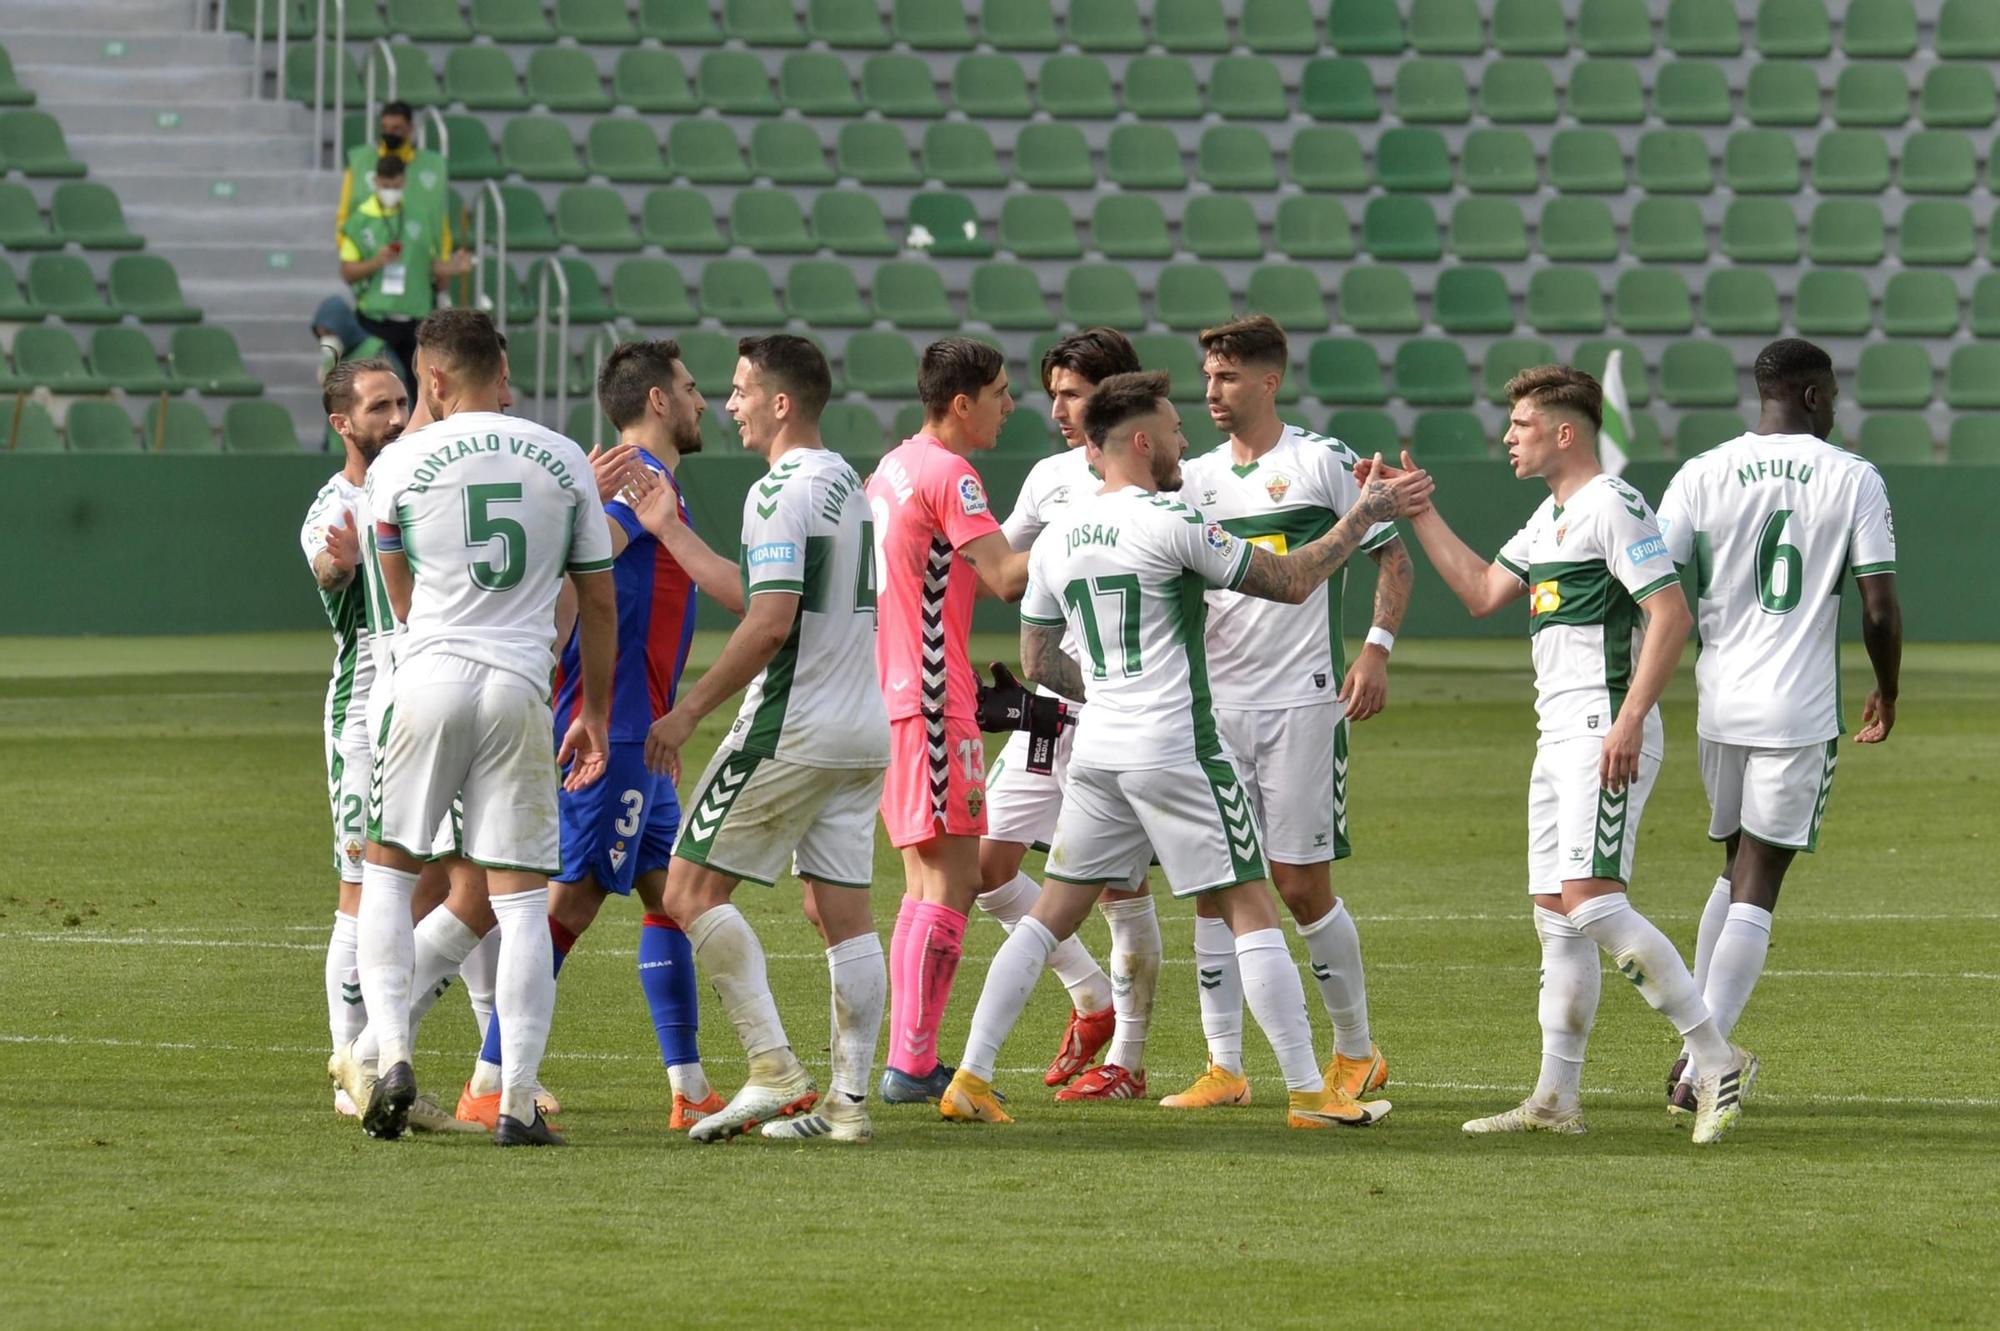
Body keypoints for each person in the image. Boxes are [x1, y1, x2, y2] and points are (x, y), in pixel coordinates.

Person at [938, 370, 1427, 1130]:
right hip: (1177, 745)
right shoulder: (1170, 521)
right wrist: (1364, 513)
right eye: (1171, 429)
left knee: (1047, 916)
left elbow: (1037, 659)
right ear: (1141, 440)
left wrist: (1109, 688)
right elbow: (1294, 580)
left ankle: (971, 1074)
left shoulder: (1060, 530)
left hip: (1098, 748)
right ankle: (1308, 1093)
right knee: (1253, 905)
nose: (1182, 439)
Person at [1370, 364, 1753, 1145]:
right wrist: (1421, 511)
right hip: (1558, 733)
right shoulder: (1551, 517)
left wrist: (1631, 717)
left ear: (1565, 431)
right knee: (1558, 918)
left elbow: (1670, 613)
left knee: (1592, 900)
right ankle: (1554, 1097)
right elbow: (1479, 590)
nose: (1508, 436)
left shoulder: (1610, 501)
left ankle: (1715, 1055)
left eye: (1521, 424)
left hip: (1603, 726)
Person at [355, 308, 616, 1146]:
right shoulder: (564, 456)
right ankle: (517, 1101)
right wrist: (596, 711)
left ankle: (391, 1054)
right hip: (519, 684)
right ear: (493, 373)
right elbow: (598, 600)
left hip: (428, 676)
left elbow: (395, 590)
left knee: (390, 875)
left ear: (431, 379)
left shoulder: (397, 463)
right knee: (523, 902)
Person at [451, 340, 722, 1133]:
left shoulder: (651, 483)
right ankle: (488, 1079)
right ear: (660, 402)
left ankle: (690, 1085)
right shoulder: (639, 484)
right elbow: (579, 564)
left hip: (644, 739)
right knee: (566, 904)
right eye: (693, 387)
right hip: (621, 735)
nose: (704, 402)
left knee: (672, 896)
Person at [632, 334, 890, 1145]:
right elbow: (764, 594)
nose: (731, 402)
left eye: (742, 389)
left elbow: (771, 624)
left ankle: (773, 1066)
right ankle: (847, 1106)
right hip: (861, 728)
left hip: (795, 724)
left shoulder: (779, 489)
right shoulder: (845, 480)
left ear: (781, 402)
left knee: (688, 891)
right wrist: (672, 530)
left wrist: (690, 709)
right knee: (840, 911)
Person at [1164, 315, 1414, 1111]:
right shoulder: (1194, 477)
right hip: (1215, 708)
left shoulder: (1322, 462)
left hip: (1301, 705)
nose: (1211, 391)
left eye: (1228, 377)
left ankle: (1357, 1050)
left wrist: (1374, 648)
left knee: (1301, 884)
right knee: (1213, 882)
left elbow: (1393, 557)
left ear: (1270, 381)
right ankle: (1225, 1066)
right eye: (1206, 377)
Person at [1655, 339, 1902, 1116]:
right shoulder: (1854, 477)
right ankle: (1704, 1065)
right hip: (1797, 709)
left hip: (1718, 701)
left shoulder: (1701, 471)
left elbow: (1653, 579)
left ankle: (1694, 1052)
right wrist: (1888, 689)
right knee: (1760, 877)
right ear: (1815, 396)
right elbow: (1879, 605)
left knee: (1733, 863)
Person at [864, 338, 1033, 1104]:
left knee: (923, 879)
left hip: (896, 692)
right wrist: (1093, 522)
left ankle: (909, 1054)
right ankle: (909, 1061)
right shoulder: (951, 473)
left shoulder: (894, 464)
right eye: (999, 391)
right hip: (934, 697)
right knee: (955, 877)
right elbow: (1004, 577)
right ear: (960, 403)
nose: (1009, 403)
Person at [976, 328, 1144, 1096]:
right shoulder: (1050, 478)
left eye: (1071, 395)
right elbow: (1003, 572)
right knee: (985, 867)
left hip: (1118, 706)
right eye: (1053, 394)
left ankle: (1127, 1061)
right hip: (1048, 703)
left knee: (1117, 889)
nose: (1057, 411)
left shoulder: (1158, 479)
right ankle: (1092, 997)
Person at [302, 357, 408, 1116]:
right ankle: (351, 1063)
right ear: (343, 424)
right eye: (379, 407)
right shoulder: (334, 503)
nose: (397, 417)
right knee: (361, 889)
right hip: (364, 713)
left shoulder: (418, 481)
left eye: (402, 400)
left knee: (467, 878)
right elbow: (326, 562)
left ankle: (500, 1070)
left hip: (424, 700)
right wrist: (338, 567)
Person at [337, 155, 472, 395]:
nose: (391, 191)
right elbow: (347, 272)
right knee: (374, 389)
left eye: (396, 186)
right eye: (386, 186)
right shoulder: (359, 221)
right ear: (376, 182)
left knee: (419, 390)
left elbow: (429, 265)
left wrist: (454, 267)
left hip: (415, 318)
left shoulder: (419, 215)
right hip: (375, 318)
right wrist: (377, 262)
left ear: (404, 182)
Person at [335, 100, 449, 247]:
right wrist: (346, 248)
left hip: (416, 256)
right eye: (385, 128)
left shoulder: (432, 166)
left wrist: (443, 257)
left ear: (410, 128)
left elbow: (439, 217)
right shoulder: (360, 162)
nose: (389, 134)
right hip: (367, 256)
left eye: (396, 129)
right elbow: (344, 212)